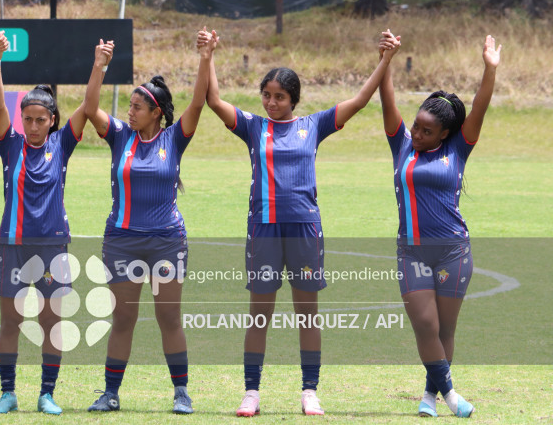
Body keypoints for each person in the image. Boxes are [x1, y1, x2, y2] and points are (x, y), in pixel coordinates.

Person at [201, 27, 400, 417]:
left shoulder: (313, 125)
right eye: (267, 95)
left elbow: (361, 100)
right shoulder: (252, 127)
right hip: (263, 230)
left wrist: (385, 60)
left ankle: (310, 390)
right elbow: (213, 99)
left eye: (280, 97)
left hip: (305, 231)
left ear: (294, 99)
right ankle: (251, 392)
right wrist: (207, 55)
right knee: (259, 313)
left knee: (307, 312)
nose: (272, 102)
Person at [83, 30, 211, 415]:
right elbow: (90, 108)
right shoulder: (120, 136)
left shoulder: (175, 138)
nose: (130, 112)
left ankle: (181, 393)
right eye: (131, 106)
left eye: (138, 107)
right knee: (123, 317)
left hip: (166, 241)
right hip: (121, 240)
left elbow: (199, 102)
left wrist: (205, 58)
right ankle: (110, 393)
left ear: (156, 113)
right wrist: (99, 66)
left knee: (168, 316)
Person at [0, 36, 115, 415]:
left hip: (53, 247)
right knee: (10, 320)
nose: (33, 125)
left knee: (50, 321)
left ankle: (47, 393)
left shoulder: (62, 144)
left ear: (53, 121)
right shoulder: (9, 144)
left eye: (41, 120)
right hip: (13, 244)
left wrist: (99, 65)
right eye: (27, 119)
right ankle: (7, 393)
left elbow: (90, 107)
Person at [378, 31, 500, 418]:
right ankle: (451, 396)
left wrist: (489, 69)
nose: (416, 133)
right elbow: (387, 99)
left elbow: (480, 105)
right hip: (411, 251)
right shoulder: (401, 144)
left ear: (445, 134)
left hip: (453, 251)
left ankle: (429, 397)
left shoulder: (458, 149)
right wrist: (387, 60)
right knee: (425, 325)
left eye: (426, 131)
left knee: (445, 330)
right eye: (416, 125)